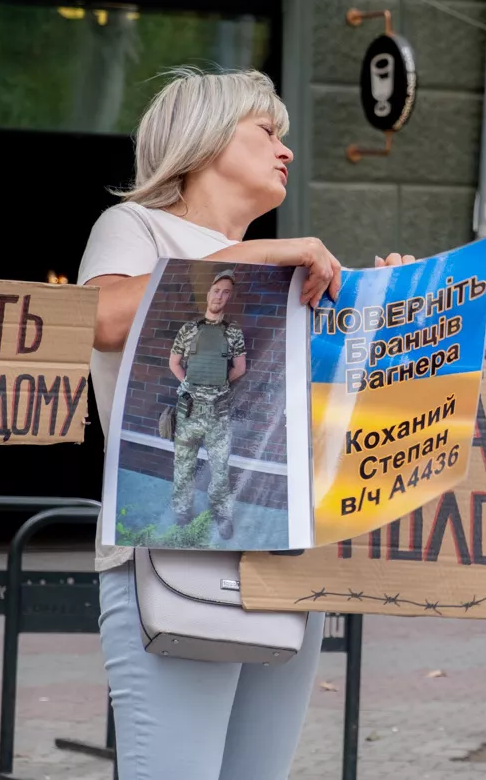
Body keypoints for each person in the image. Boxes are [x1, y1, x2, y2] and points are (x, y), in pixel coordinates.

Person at [79, 66, 415, 780]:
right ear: (200, 142)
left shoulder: (295, 269)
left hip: (287, 567)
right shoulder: (135, 225)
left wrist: (398, 304)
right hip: (170, 555)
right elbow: (102, 319)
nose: (286, 150)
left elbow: (339, 415)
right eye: (267, 131)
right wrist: (255, 257)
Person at [168, 269, 248, 538]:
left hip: (218, 413)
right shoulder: (189, 330)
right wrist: (187, 385)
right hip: (189, 412)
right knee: (183, 466)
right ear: (208, 292)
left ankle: (221, 514)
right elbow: (174, 362)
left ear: (230, 297)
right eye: (217, 290)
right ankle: (182, 512)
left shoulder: (233, 332)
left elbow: (240, 367)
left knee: (221, 469)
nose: (220, 296)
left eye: (226, 292)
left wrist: (219, 384)